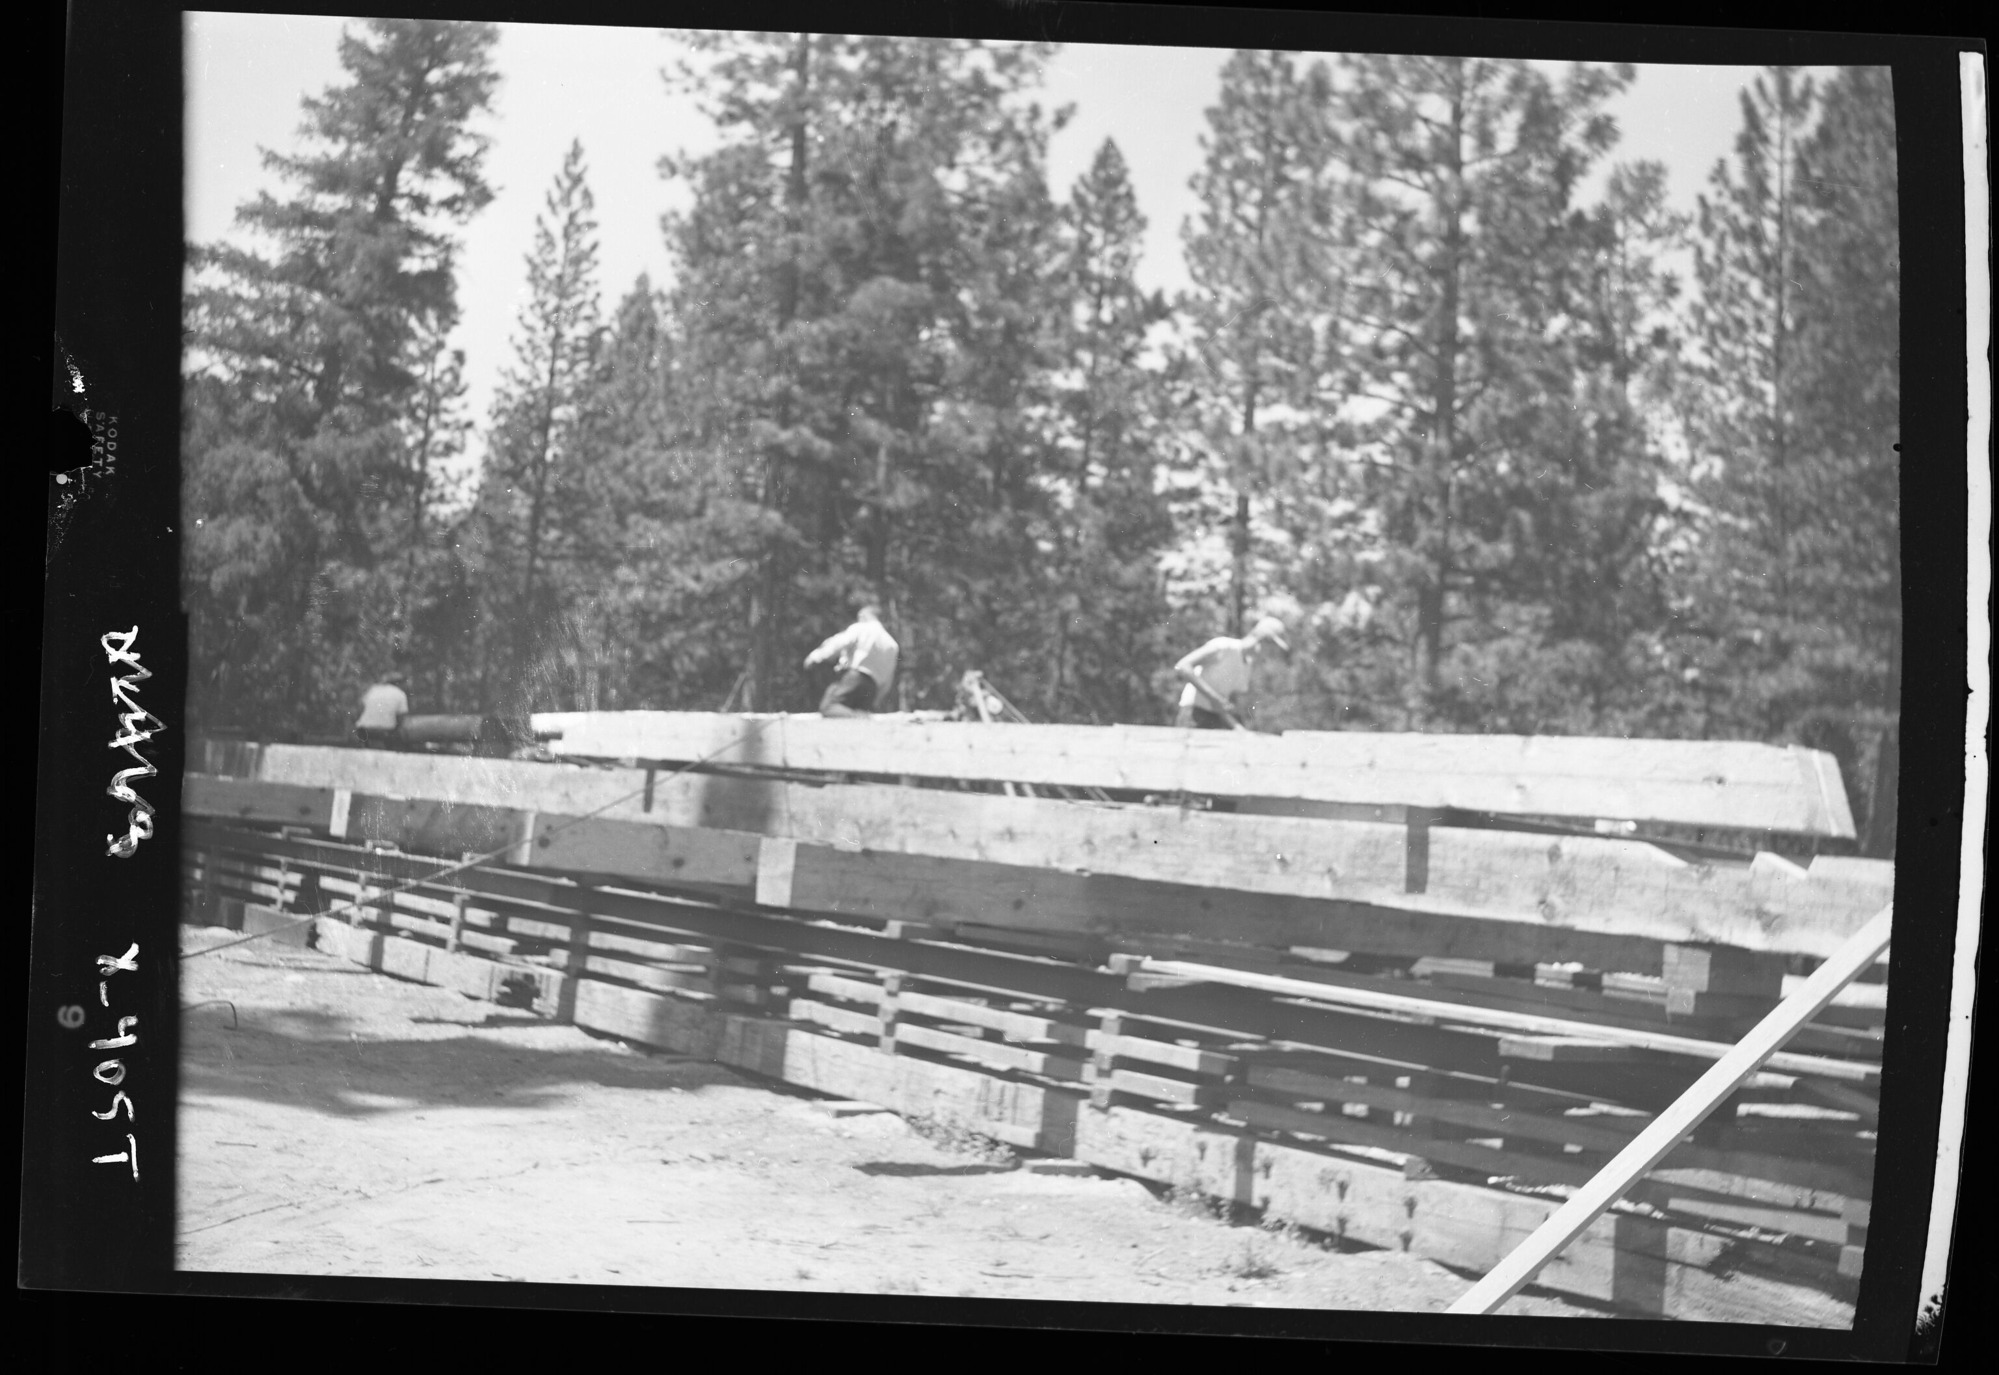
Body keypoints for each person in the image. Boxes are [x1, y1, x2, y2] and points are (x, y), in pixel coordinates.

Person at [1173, 616, 1289, 729]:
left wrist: (1239, 729)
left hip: (1216, 721)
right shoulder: (1224, 646)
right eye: (1273, 648)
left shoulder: (1247, 667)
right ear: (1263, 639)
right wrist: (1214, 698)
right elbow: (1183, 666)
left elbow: (1222, 706)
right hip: (1192, 716)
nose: (1272, 654)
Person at [805, 606, 900, 718]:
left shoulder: (861, 628)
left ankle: (863, 718)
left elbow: (839, 642)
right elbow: (888, 678)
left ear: (863, 616)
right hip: (872, 687)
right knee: (850, 721)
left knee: (829, 707)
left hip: (854, 678)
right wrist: (876, 699)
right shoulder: (891, 644)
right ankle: (863, 716)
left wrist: (816, 656)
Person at [354, 670, 411, 747]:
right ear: (399, 683)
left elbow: (360, 709)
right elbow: (401, 718)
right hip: (385, 732)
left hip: (363, 730)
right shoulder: (400, 694)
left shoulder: (373, 689)